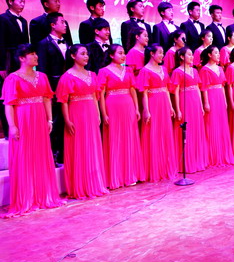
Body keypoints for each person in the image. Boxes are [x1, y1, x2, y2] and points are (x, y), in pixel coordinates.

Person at [1, 44, 64, 217]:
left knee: (41, 154)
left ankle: (43, 195)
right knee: (24, 155)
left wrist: (49, 119)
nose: (36, 56)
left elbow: (47, 99)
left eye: (36, 53)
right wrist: (12, 126)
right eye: (32, 54)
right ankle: (26, 197)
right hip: (23, 119)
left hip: (39, 118)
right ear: (22, 58)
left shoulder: (42, 76)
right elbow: (9, 104)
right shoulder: (13, 79)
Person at [56, 44, 108, 199]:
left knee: (92, 146)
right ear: (73, 56)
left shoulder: (92, 74)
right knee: (79, 147)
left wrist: (98, 114)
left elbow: (94, 96)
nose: (86, 56)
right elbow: (64, 101)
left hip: (91, 112)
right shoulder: (67, 76)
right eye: (83, 54)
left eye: (87, 54)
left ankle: (94, 183)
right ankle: (80, 186)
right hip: (76, 113)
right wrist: (67, 120)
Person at [98, 44, 145, 189]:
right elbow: (101, 95)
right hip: (112, 106)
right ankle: (116, 177)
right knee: (115, 139)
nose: (123, 55)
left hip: (128, 105)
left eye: (124, 53)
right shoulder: (103, 71)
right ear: (111, 55)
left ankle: (131, 174)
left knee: (130, 138)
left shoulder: (128, 70)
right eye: (120, 53)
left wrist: (137, 109)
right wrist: (104, 114)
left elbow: (132, 90)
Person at [137, 44, 178, 181]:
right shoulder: (144, 71)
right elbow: (144, 93)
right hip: (153, 103)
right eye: (160, 52)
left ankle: (166, 167)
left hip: (164, 103)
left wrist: (171, 106)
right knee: (154, 133)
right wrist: (146, 110)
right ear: (152, 54)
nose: (162, 55)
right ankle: (154, 169)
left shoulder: (164, 69)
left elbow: (166, 88)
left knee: (165, 132)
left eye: (163, 52)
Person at [36, 12, 73, 165]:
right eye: (62, 22)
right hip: (53, 86)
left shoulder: (68, 42)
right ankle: (54, 154)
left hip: (70, 86)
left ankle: (67, 154)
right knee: (55, 121)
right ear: (53, 25)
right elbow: (42, 69)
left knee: (68, 119)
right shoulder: (43, 44)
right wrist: (47, 92)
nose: (65, 25)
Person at [171, 47, 209, 173]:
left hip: (195, 103)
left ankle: (198, 161)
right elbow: (176, 92)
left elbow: (198, 88)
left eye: (192, 54)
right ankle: (187, 163)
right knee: (187, 131)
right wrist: (178, 109)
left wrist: (201, 105)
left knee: (197, 129)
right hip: (185, 102)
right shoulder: (177, 72)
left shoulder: (195, 71)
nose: (192, 57)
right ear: (182, 57)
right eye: (189, 54)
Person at [200, 46, 234, 166]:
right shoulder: (204, 70)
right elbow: (204, 88)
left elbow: (222, 86)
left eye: (218, 53)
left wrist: (225, 100)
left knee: (222, 124)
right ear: (209, 55)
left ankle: (223, 153)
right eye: (215, 53)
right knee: (212, 124)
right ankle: (213, 155)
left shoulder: (220, 68)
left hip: (220, 97)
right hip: (211, 97)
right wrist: (206, 102)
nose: (218, 55)